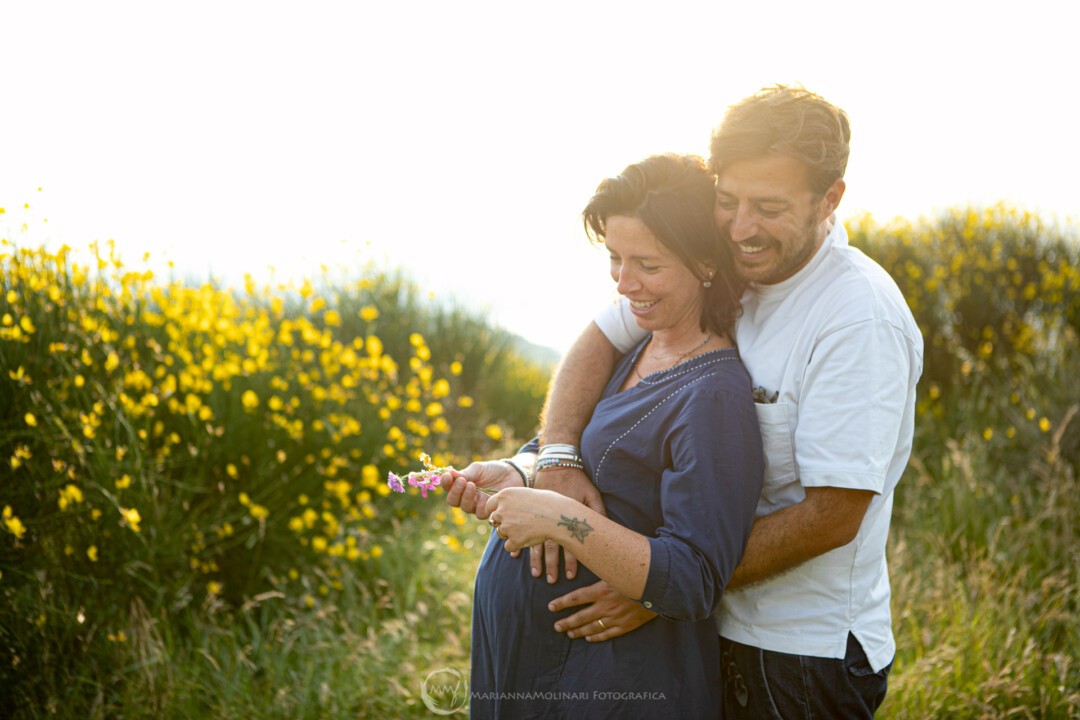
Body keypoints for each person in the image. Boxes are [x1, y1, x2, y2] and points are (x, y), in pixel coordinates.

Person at [445, 85, 924, 718]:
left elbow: (833, 514)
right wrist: (552, 459)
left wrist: (647, 585)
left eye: (769, 206)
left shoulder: (856, 317)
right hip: (705, 629)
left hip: (797, 654)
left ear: (829, 198)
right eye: (728, 201)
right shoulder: (726, 265)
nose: (743, 227)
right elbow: (600, 336)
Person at [445, 153, 764, 718]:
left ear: (706, 263)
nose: (624, 282)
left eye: (647, 263)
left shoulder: (714, 396)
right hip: (541, 664)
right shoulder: (640, 345)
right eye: (615, 259)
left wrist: (556, 520)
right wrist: (521, 470)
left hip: (614, 680)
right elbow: (601, 462)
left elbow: (693, 578)